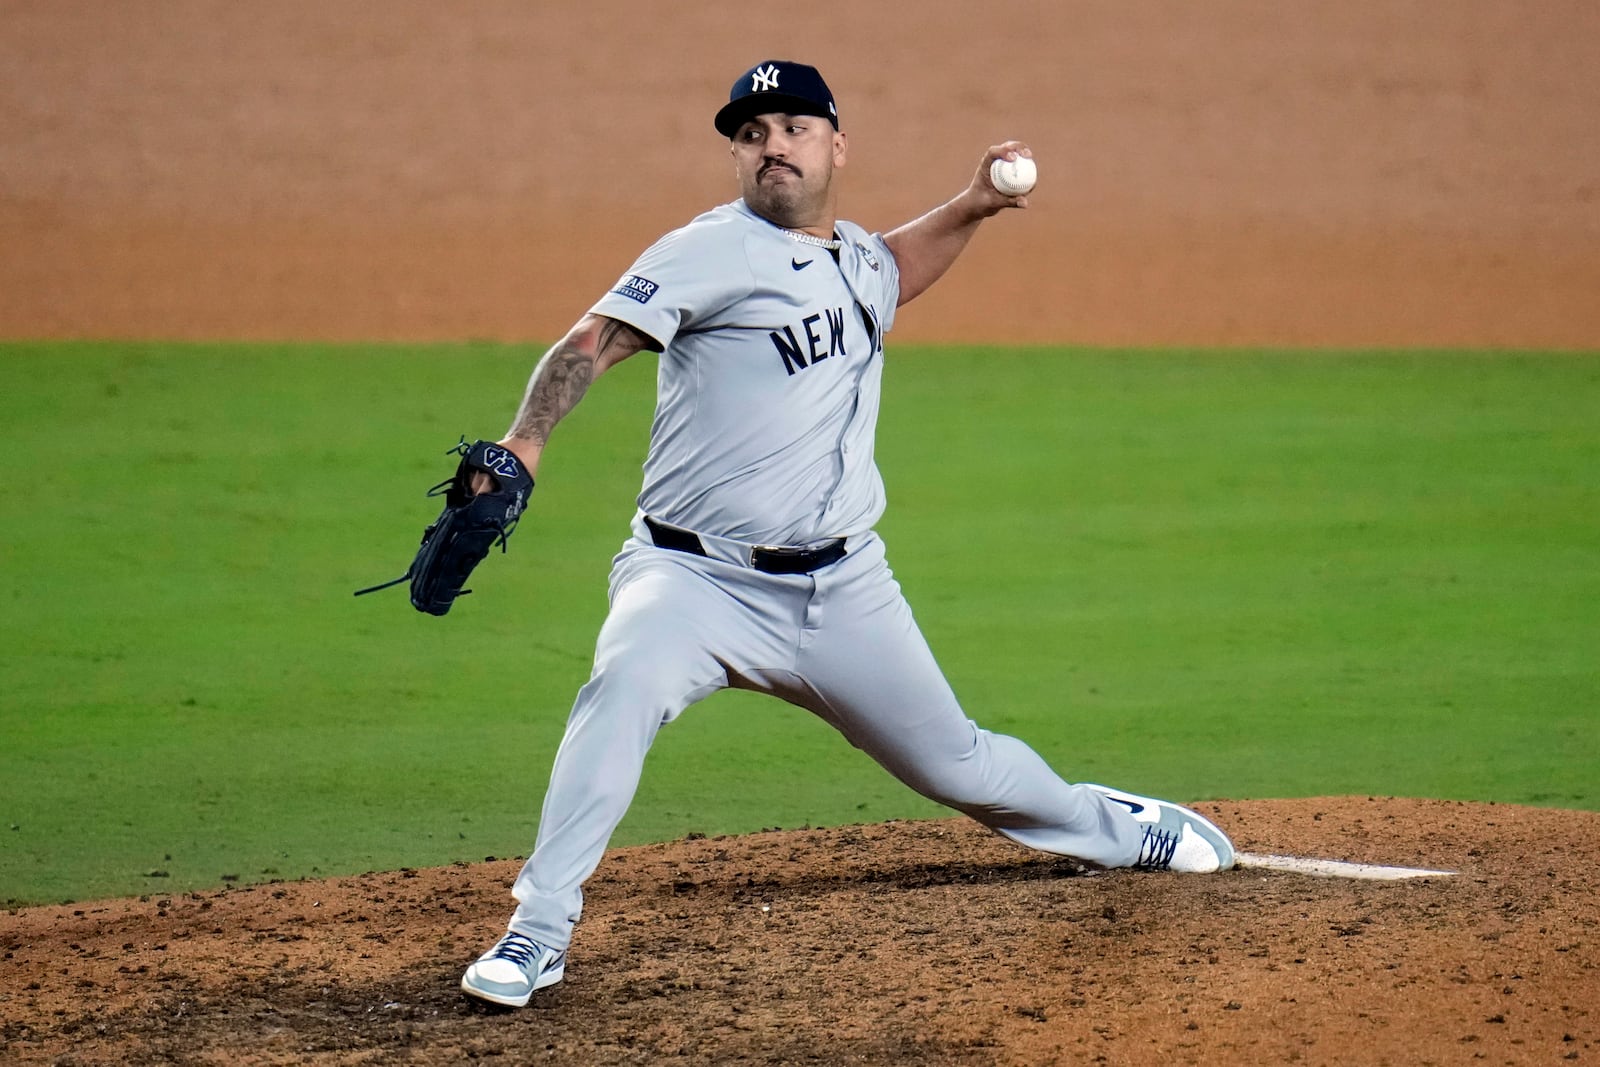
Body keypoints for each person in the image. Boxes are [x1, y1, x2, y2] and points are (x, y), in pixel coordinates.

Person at [459, 60, 1235, 1009]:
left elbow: (892, 270)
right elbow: (594, 341)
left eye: (792, 127)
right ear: (737, 157)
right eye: (752, 134)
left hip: (842, 592)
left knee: (961, 765)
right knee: (620, 690)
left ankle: (1116, 827)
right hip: (690, 580)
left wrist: (978, 202)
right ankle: (537, 931)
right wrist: (525, 438)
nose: (772, 146)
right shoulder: (707, 250)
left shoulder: (857, 259)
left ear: (836, 145)